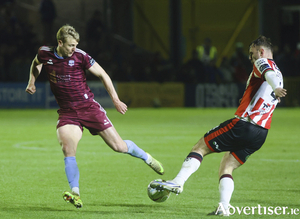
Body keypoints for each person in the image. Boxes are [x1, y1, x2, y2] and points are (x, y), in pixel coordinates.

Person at [25, 24, 164, 208]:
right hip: (67, 112)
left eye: (76, 45)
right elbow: (36, 63)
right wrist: (32, 81)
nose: (74, 49)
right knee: (68, 149)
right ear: (60, 43)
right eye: (70, 46)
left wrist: (115, 99)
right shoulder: (45, 53)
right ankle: (76, 193)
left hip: (89, 108)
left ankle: (146, 157)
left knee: (119, 147)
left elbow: (103, 75)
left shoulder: (81, 56)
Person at [150, 36, 287, 216]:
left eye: (252, 53)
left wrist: (276, 87)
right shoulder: (279, 72)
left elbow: (268, 74)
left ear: (260, 51)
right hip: (260, 134)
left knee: (200, 147)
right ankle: (224, 207)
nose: (250, 57)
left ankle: (178, 182)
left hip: (244, 125)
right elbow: (265, 88)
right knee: (226, 166)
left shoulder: (263, 62)